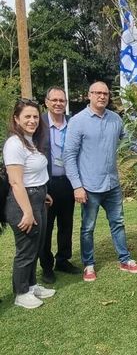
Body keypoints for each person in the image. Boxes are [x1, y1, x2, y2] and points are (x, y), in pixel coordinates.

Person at [63, 81, 137, 282]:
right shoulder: (78, 121)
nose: (102, 96)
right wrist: (77, 186)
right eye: (97, 93)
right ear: (89, 95)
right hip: (89, 186)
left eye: (105, 93)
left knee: (118, 223)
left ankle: (125, 259)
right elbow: (69, 155)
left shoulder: (115, 119)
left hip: (112, 184)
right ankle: (88, 264)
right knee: (88, 227)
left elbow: (129, 142)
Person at [3, 98, 56, 309]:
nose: (32, 120)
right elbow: (16, 182)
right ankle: (21, 292)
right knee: (25, 250)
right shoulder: (14, 144)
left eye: (35, 116)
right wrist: (27, 212)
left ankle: (32, 285)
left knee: (36, 245)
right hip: (22, 203)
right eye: (27, 116)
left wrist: (44, 193)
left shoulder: (30, 141)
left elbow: (33, 174)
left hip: (37, 197)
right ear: (16, 119)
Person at [39, 86, 81, 284]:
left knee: (66, 223)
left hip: (68, 182)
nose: (58, 104)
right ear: (46, 102)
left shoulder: (72, 123)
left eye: (61, 100)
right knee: (46, 226)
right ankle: (46, 266)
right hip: (46, 183)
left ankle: (63, 259)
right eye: (54, 100)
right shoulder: (38, 123)